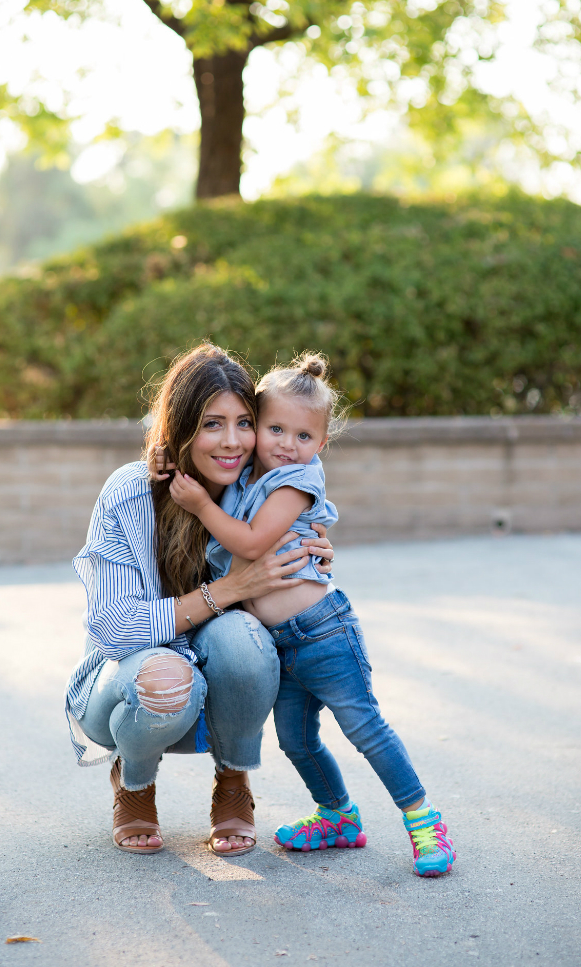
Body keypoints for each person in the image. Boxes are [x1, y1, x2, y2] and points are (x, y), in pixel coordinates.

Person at [157, 351, 456, 877]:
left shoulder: (295, 482)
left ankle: (423, 820)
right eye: (274, 429)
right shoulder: (251, 471)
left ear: (320, 444)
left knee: (365, 727)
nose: (287, 446)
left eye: (303, 437)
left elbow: (249, 541)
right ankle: (337, 814)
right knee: (296, 739)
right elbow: (201, 452)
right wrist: (165, 464)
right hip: (282, 644)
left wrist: (201, 507)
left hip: (323, 633)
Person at [65, 344, 334, 856]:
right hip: (127, 689)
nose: (231, 441)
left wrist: (310, 549)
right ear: (183, 427)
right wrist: (229, 590)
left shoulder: (257, 495)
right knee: (166, 674)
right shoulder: (131, 491)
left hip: (215, 701)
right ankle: (135, 784)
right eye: (212, 424)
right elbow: (116, 630)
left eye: (244, 423)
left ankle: (233, 782)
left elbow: (291, 586)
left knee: (244, 639)